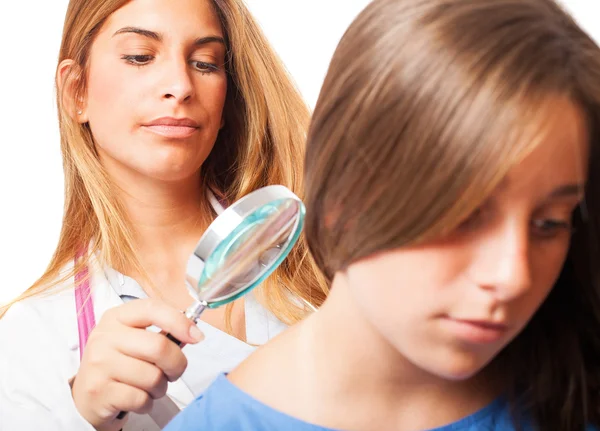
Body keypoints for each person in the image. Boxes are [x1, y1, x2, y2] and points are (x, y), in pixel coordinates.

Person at [163, 0, 600, 430]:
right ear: (341, 195)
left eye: (549, 223)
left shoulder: (573, 393)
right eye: (464, 214)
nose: (513, 276)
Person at [0, 0, 328, 429]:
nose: (180, 85)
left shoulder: (323, 260)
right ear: (76, 92)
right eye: (140, 56)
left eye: (205, 63)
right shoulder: (31, 338)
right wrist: (82, 418)